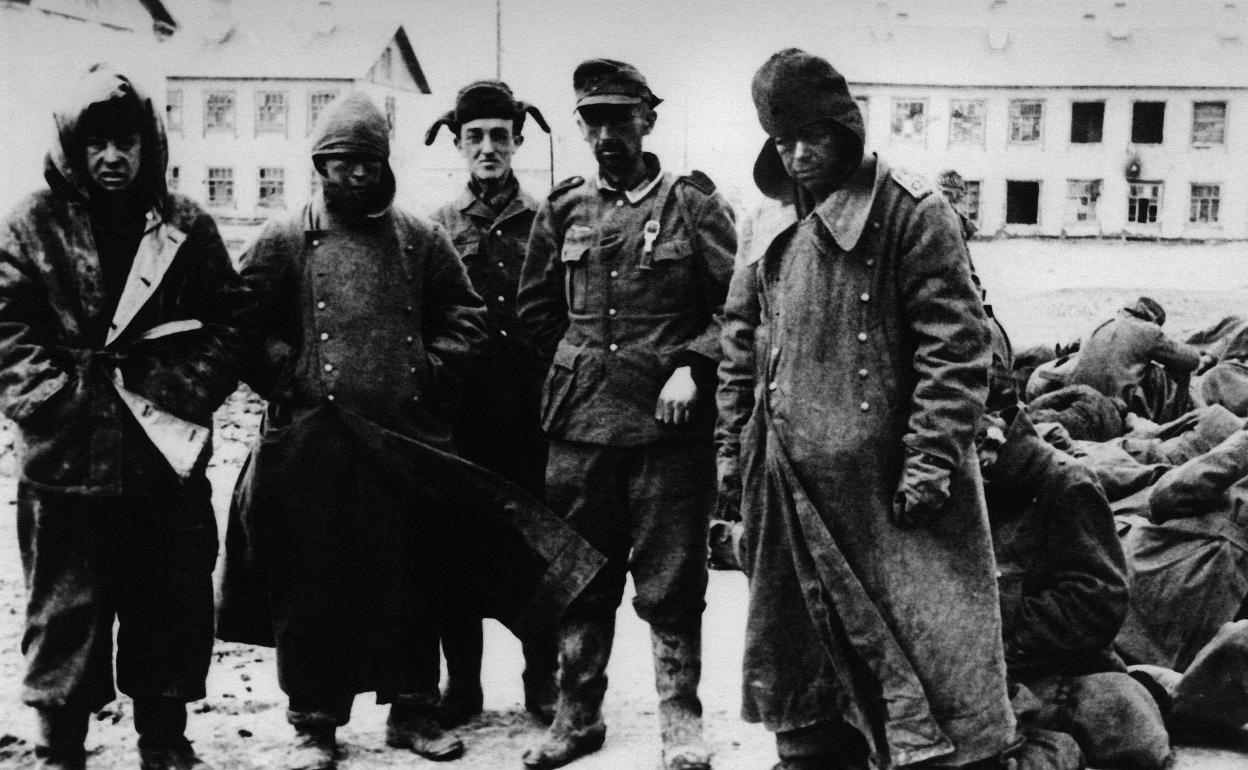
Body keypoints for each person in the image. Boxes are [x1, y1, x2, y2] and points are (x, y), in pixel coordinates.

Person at [219, 91, 604, 769]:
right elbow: (238, 322)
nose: (354, 175)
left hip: (405, 441)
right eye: (340, 162)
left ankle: (414, 710)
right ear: (320, 165)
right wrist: (289, 372)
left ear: (384, 165)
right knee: (312, 585)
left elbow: (465, 317)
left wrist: (424, 373)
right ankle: (314, 723)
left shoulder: (417, 238)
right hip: (313, 442)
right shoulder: (284, 238)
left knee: (411, 575)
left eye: (367, 162)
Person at [717, 49, 1018, 769]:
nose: (798, 156)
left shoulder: (913, 213)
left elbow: (956, 348)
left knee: (927, 651)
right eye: (783, 142)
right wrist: (731, 454)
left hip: (889, 491)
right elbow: (738, 343)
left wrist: (930, 462)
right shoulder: (763, 224)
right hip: (787, 483)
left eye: (812, 138)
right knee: (800, 650)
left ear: (846, 130)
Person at [0, 64, 249, 770]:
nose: (112, 158)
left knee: (169, 599)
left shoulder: (185, 225)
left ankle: (164, 738)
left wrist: (184, 388)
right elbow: (6, 328)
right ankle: (60, 742)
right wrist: (53, 400)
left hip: (162, 455)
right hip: (66, 458)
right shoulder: (31, 224)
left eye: (126, 141)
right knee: (65, 607)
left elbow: (231, 321)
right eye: (96, 143)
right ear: (72, 148)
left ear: (149, 144)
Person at [518, 59, 736, 770]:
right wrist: (577, 370)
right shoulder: (563, 209)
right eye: (593, 120)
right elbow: (536, 312)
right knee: (581, 575)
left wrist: (692, 366)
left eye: (620, 118)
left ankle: (681, 723)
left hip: (666, 431)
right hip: (580, 430)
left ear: (649, 119)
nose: (607, 134)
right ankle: (577, 716)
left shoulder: (693, 205)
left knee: (672, 581)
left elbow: (737, 310)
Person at [424, 79, 557, 726]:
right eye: (473, 137)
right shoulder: (436, 228)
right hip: (461, 418)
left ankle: (543, 679)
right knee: (454, 548)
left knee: (538, 545)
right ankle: (464, 685)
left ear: (517, 142)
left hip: (532, 415)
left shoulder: (547, 222)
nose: (487, 148)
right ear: (458, 144)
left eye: (499, 137)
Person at [979, 409, 1169, 769]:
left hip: (1056, 669)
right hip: (998, 664)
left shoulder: (1064, 484)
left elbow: (1098, 600)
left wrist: (1000, 639)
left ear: (986, 444)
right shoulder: (979, 486)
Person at [1066, 297, 1215, 422]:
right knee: (1172, 370)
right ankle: (1172, 419)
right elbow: (1191, 360)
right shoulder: (1148, 330)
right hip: (1116, 404)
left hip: (1077, 397)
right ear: (1154, 319)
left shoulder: (1105, 323)